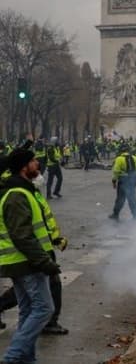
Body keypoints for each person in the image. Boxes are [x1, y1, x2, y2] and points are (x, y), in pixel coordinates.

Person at [0, 149, 61, 363]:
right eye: (34, 161)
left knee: (27, 312)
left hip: (20, 261)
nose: (38, 163)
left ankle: (27, 360)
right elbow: (22, 236)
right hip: (26, 262)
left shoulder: (23, 190)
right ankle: (11, 358)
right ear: (24, 167)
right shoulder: (17, 194)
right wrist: (45, 263)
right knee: (45, 309)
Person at [0, 172, 69, 335]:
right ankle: (47, 324)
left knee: (33, 292)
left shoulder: (33, 193)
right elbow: (22, 230)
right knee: (43, 296)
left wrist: (55, 238)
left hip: (40, 248)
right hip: (29, 252)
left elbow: (43, 220)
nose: (39, 174)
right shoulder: (16, 195)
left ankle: (26, 346)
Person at [109, 144, 136, 221]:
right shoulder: (135, 158)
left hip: (123, 181)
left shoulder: (119, 159)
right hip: (132, 181)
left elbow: (116, 171)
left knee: (120, 199)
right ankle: (135, 215)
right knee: (132, 198)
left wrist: (114, 181)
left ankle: (115, 215)